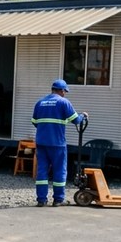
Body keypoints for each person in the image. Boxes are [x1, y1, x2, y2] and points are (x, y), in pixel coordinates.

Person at [31, 79, 87, 207]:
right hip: (57, 144)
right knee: (60, 171)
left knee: (42, 171)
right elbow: (76, 120)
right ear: (61, 90)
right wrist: (83, 115)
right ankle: (58, 200)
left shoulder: (40, 102)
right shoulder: (63, 102)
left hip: (41, 143)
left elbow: (35, 122)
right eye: (64, 91)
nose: (64, 94)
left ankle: (41, 200)